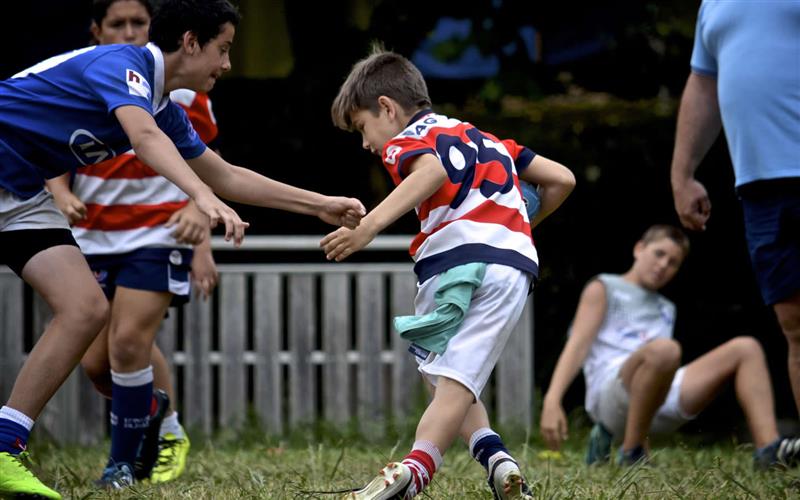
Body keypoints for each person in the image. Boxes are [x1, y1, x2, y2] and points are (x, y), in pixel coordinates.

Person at [0, 1, 365, 498]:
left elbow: (226, 174)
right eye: (223, 49)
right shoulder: (121, 64)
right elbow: (145, 139)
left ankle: (4, 448)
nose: (227, 64)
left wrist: (318, 204)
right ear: (190, 43)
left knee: (85, 309)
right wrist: (201, 197)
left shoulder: (163, 108)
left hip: (19, 193)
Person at [321, 46, 575, 500]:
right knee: (439, 366)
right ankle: (496, 458)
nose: (366, 143)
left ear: (386, 107)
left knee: (453, 377)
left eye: (362, 128)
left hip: (456, 265)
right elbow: (562, 180)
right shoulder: (488, 139)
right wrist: (513, 222)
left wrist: (369, 228)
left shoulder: (406, 140)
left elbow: (431, 172)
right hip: (508, 264)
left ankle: (414, 473)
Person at [45, 0, 214, 487]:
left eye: (138, 23)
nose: (128, 32)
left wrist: (195, 214)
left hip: (159, 232)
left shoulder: (178, 89)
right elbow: (53, 145)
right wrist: (58, 190)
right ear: (96, 31)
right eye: (116, 24)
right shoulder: (84, 80)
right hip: (93, 235)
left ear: (153, 30)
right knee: (98, 362)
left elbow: (209, 164)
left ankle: (123, 464)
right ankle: (154, 411)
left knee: (128, 342)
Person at [539, 225, 800, 467]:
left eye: (673, 262)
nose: (663, 265)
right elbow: (578, 345)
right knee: (666, 350)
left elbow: (658, 373)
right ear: (639, 248)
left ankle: (769, 451)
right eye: (659, 253)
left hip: (657, 395)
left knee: (746, 348)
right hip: (611, 394)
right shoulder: (604, 287)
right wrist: (552, 399)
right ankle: (632, 452)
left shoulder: (667, 307)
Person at [670, 2, 800, 420]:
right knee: (795, 327)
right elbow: (704, 83)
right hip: (760, 186)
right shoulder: (713, 3)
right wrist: (682, 172)